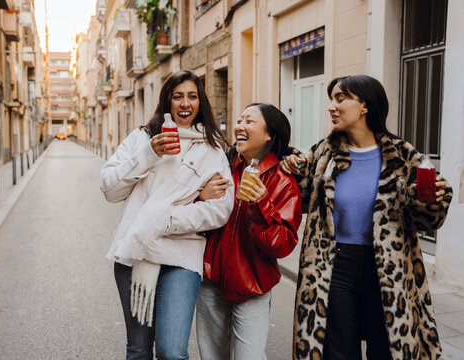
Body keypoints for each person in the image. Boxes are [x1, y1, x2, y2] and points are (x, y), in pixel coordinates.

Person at [281, 75, 453, 359]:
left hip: (387, 265)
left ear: (365, 106)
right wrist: (292, 168)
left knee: (386, 349)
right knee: (337, 351)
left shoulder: (402, 155)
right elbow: (298, 200)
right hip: (334, 265)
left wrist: (433, 200)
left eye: (341, 98)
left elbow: (427, 221)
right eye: (331, 99)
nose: (332, 107)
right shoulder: (323, 153)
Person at [99, 70, 234, 359]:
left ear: (200, 102)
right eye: (178, 96)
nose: (185, 103)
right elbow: (110, 189)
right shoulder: (142, 138)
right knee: (138, 349)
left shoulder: (212, 150)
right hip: (135, 253)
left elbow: (220, 210)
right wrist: (147, 155)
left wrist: (164, 220)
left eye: (192, 96)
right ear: (167, 101)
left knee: (172, 352)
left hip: (181, 258)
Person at [196, 103, 302, 360]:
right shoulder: (221, 166)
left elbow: (282, 245)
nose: (239, 126)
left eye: (250, 121)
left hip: (253, 286)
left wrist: (262, 203)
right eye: (240, 119)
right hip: (211, 282)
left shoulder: (284, 182)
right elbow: (196, 219)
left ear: (269, 134)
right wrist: (200, 197)